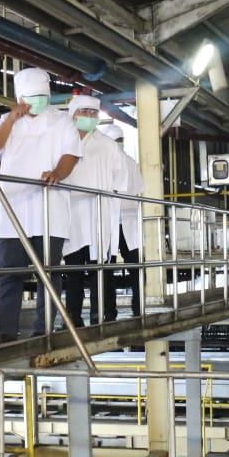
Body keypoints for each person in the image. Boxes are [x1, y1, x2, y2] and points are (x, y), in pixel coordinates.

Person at [0, 68, 82, 341]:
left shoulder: (62, 122)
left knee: (48, 273)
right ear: (20, 99)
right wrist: (11, 119)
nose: (36, 102)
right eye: (31, 98)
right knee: (10, 273)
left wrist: (57, 173)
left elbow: (71, 155)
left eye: (41, 97)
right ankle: (6, 331)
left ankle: (44, 328)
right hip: (12, 209)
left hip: (49, 208)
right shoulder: (6, 122)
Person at [60, 96, 124, 327]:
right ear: (73, 114)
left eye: (93, 112)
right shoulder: (61, 141)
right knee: (74, 269)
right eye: (84, 111)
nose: (89, 116)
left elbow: (120, 179)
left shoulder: (107, 145)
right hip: (72, 214)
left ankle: (102, 315)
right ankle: (73, 318)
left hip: (99, 213)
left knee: (100, 268)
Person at [103, 124, 144, 321]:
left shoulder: (130, 162)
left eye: (120, 141)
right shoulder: (102, 164)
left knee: (136, 267)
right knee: (106, 269)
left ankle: (138, 307)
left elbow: (138, 189)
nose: (118, 144)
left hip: (128, 222)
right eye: (115, 141)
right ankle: (108, 312)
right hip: (108, 222)